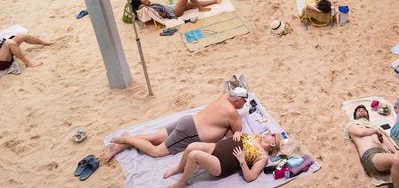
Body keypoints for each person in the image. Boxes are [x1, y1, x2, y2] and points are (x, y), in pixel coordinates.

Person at [104, 75, 250, 161]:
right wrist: (234, 130)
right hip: (190, 132)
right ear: (236, 100)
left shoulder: (225, 97)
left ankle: (119, 146)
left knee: (153, 137)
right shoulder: (232, 112)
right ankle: (126, 139)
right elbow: (237, 130)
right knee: (157, 152)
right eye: (243, 101)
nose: (244, 104)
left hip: (188, 121)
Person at [163, 130, 282, 186]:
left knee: (194, 155)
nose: (269, 133)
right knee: (191, 147)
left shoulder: (263, 156)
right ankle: (179, 168)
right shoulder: (257, 136)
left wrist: (242, 161)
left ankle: (181, 182)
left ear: (273, 144)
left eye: (273, 135)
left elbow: (250, 177)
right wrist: (237, 132)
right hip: (216, 148)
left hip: (221, 164)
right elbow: (239, 133)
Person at [346, 105, 399, 188]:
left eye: (364, 110)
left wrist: (395, 152)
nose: (362, 111)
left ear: (368, 115)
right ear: (355, 116)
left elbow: (386, 141)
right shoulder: (353, 125)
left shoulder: (374, 127)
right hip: (371, 156)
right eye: (359, 110)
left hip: (384, 157)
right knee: (394, 159)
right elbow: (361, 133)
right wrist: (376, 131)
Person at [130, 0, 225, 20]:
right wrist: (142, 6)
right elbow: (160, 15)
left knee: (193, 3)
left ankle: (215, 1)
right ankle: (200, 9)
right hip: (174, 12)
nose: (147, 0)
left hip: (172, 7)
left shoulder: (149, 6)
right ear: (142, 5)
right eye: (145, 1)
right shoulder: (148, 9)